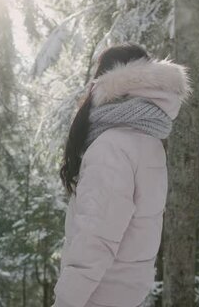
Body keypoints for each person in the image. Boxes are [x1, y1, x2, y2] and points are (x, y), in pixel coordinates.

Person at [54, 44, 191, 307]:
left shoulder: (111, 147)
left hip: (97, 296)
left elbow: (95, 239)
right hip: (128, 295)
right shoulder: (148, 142)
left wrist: (65, 301)